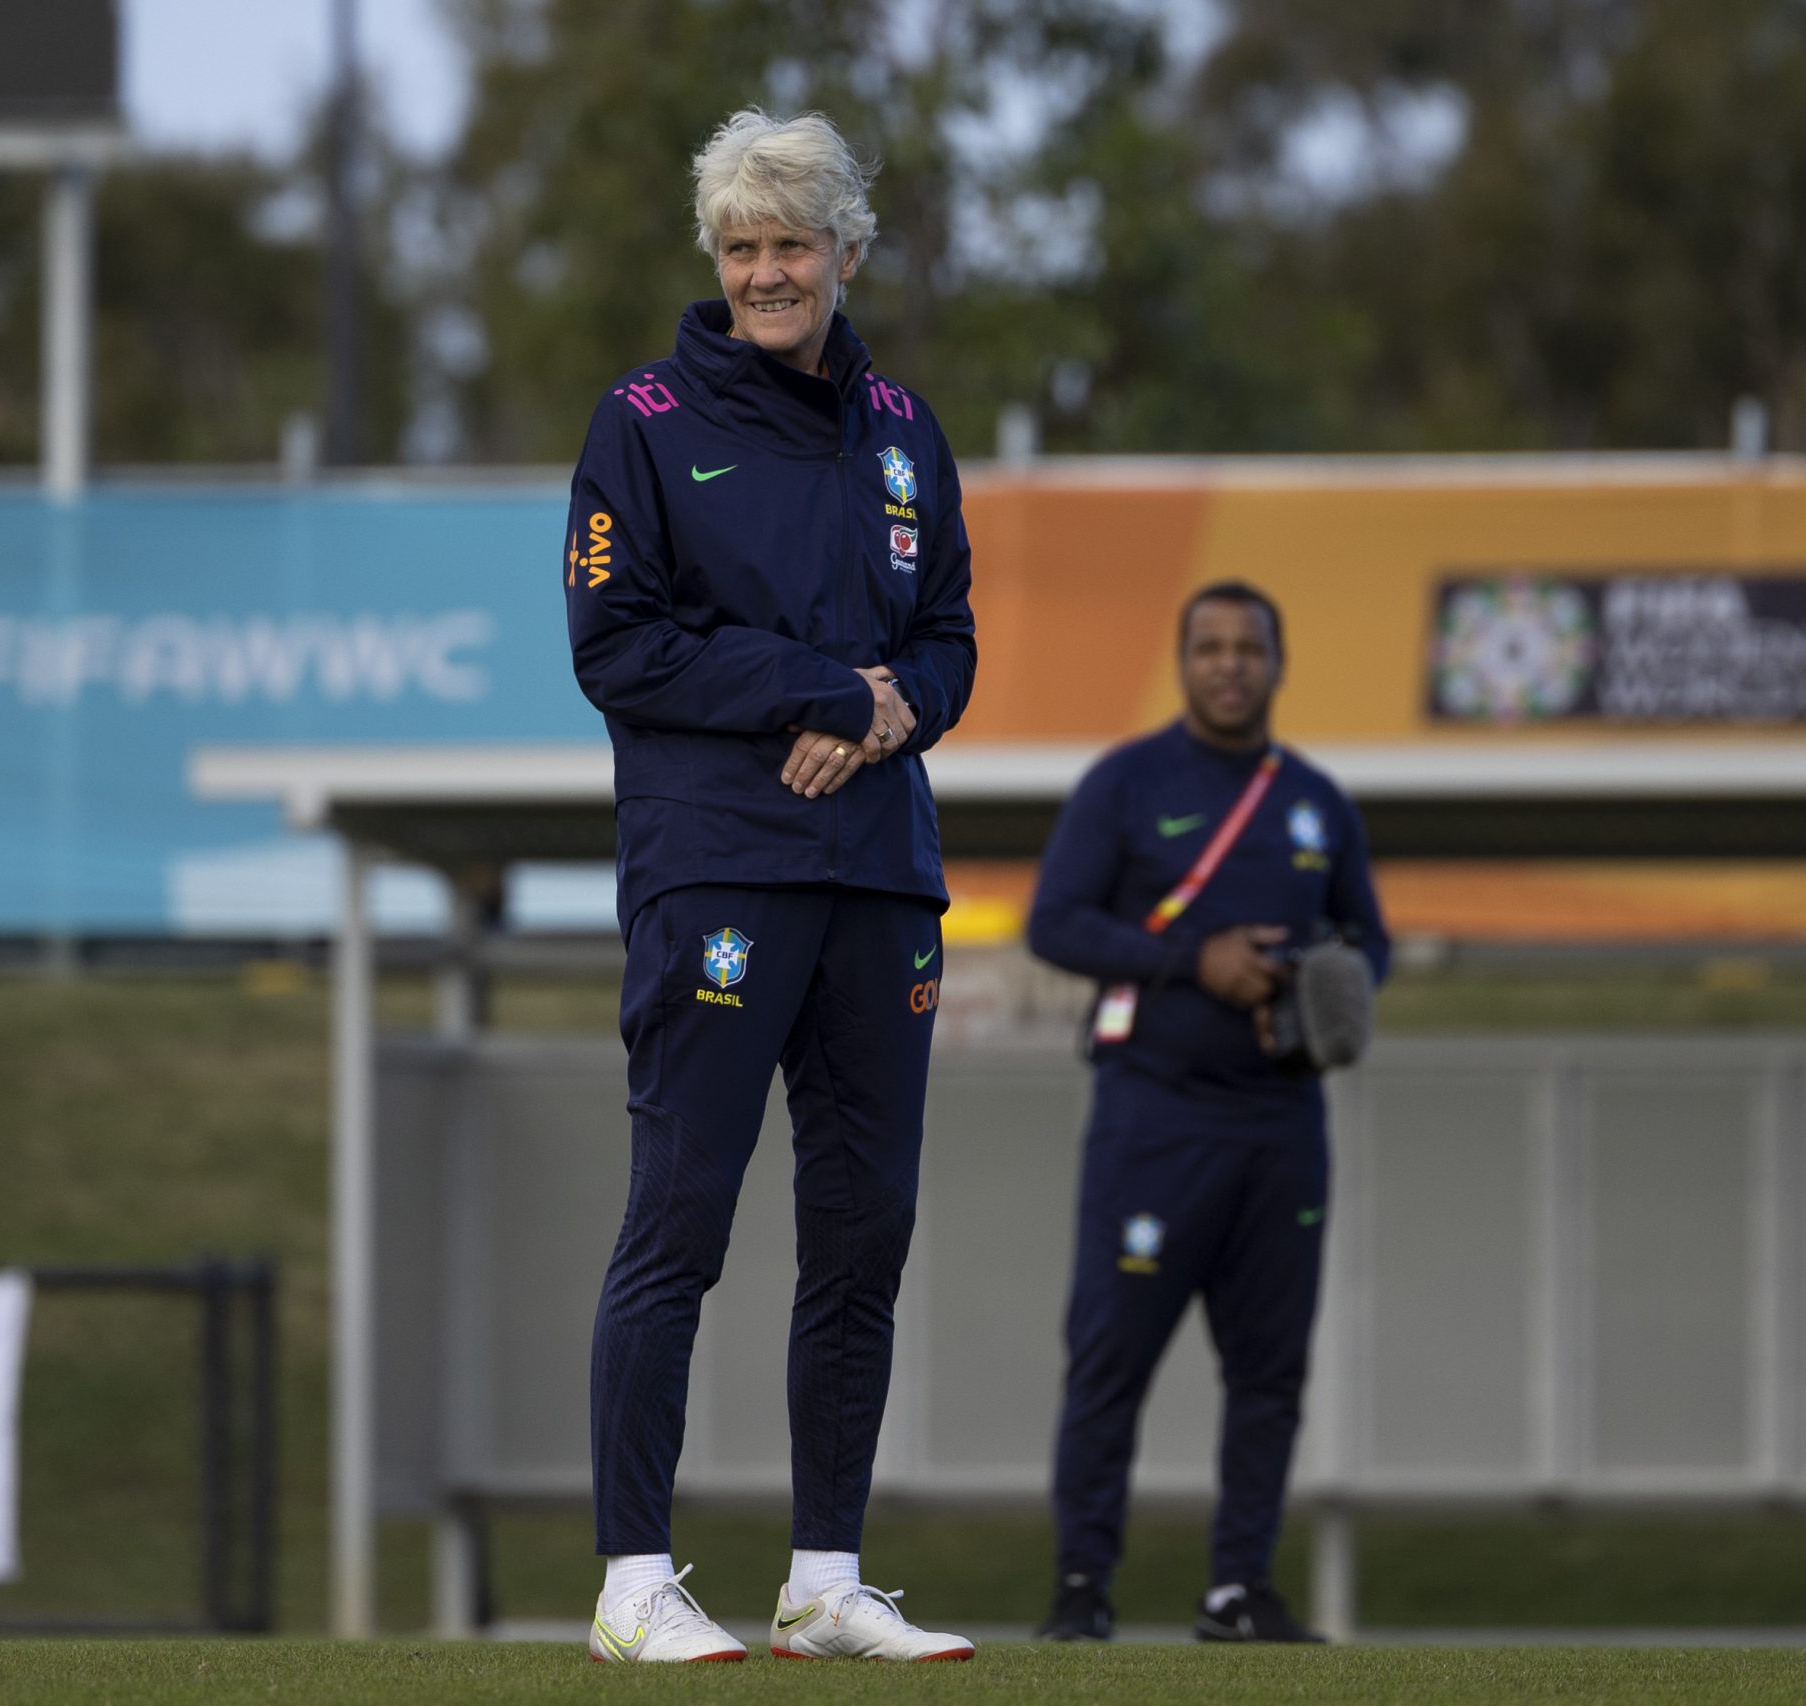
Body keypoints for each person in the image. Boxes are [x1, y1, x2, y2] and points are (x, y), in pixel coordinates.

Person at [562, 107, 976, 1665]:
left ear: (848, 250)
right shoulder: (644, 420)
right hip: (717, 872)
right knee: (680, 1222)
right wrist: (821, 689)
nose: (766, 273)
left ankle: (823, 1576)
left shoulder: (905, 429)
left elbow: (948, 645)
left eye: (792, 243)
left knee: (863, 1230)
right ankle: (631, 1580)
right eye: (741, 249)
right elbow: (619, 647)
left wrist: (880, 710)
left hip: (880, 875)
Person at [1025, 582, 1390, 1644]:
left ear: (1279, 662)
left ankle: (1239, 1590)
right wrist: (1194, 961)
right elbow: (1056, 921)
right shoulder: (1127, 782)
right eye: (1210, 646)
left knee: (1270, 1369)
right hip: (1154, 1118)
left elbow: (1373, 938)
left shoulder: (1317, 800)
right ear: (1183, 661)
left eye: (1249, 648)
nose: (1230, 664)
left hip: (1282, 1127)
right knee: (1109, 1359)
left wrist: (1323, 978)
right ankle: (1082, 1587)